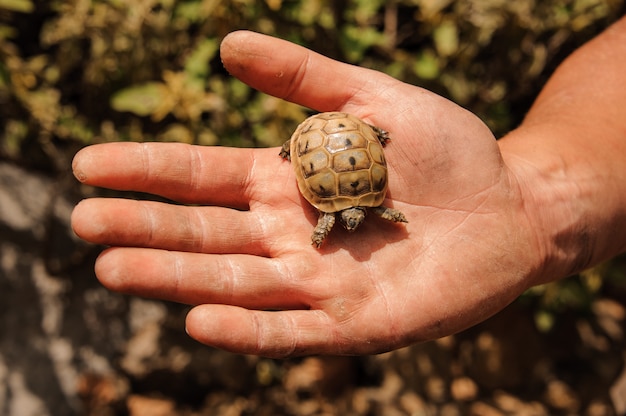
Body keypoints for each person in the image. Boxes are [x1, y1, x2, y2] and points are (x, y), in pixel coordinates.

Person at [71, 16, 626, 358]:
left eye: (356, 219)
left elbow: (373, 215)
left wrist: (524, 209)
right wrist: (528, 205)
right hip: (316, 142)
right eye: (349, 221)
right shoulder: (346, 212)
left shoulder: (354, 212)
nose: (355, 224)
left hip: (334, 154)